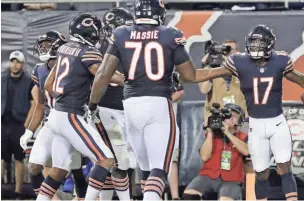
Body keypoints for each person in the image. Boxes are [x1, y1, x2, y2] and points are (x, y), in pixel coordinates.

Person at [190, 24, 304, 200]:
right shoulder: (239, 62)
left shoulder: (280, 61)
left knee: (284, 166)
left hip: (277, 123)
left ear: (269, 45)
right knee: (261, 172)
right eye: (253, 43)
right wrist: (182, 74)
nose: (255, 47)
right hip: (255, 125)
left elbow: (302, 80)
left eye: (260, 43)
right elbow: (208, 74)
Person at [88, 0, 197, 199]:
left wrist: (92, 104)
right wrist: (171, 71)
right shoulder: (171, 34)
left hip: (130, 105)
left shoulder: (121, 33)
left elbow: (103, 74)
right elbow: (189, 76)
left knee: (145, 168)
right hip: (158, 103)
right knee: (159, 169)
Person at [35, 13, 124, 201]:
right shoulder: (88, 52)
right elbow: (103, 75)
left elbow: (48, 86)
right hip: (71, 115)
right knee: (106, 159)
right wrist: (131, 79)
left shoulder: (64, 48)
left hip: (56, 116)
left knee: (58, 171)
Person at [19, 31, 88, 200]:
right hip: (51, 122)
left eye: (48, 45)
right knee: (34, 168)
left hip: (73, 119)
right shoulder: (39, 69)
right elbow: (40, 104)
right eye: (41, 45)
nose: (43, 49)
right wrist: (29, 131)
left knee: (76, 169)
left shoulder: (74, 65)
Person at [91, 7, 135, 201]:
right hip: (109, 112)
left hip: (125, 110)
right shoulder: (100, 51)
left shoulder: (127, 47)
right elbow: (103, 77)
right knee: (118, 161)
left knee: (118, 161)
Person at [183, 103, 248, 201]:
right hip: (208, 176)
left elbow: (246, 151)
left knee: (224, 199)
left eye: (233, 116)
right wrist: (210, 133)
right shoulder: (212, 135)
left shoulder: (242, 136)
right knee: (189, 195)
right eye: (227, 115)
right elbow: (204, 157)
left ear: (239, 121)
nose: (230, 118)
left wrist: (228, 133)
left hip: (231, 180)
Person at [1, 50, 33, 198]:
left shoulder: (29, 81)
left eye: (18, 62)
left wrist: (28, 123)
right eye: (13, 61)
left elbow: (35, 104)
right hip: (3, 122)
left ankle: (18, 192)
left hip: (19, 124)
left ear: (22, 64)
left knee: (19, 158)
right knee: (2, 157)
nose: (15, 64)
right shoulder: (3, 79)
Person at [199, 40, 247, 125]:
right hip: (216, 122)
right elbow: (204, 90)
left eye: (229, 49)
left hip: (239, 122)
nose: (225, 52)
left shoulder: (243, 69)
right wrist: (209, 65)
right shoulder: (211, 71)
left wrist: (228, 62)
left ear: (237, 52)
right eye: (223, 50)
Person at [168, 71, 185, 200]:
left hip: (169, 124)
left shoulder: (169, 72)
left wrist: (164, 102)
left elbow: (180, 91)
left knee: (172, 159)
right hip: (147, 122)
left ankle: (175, 197)